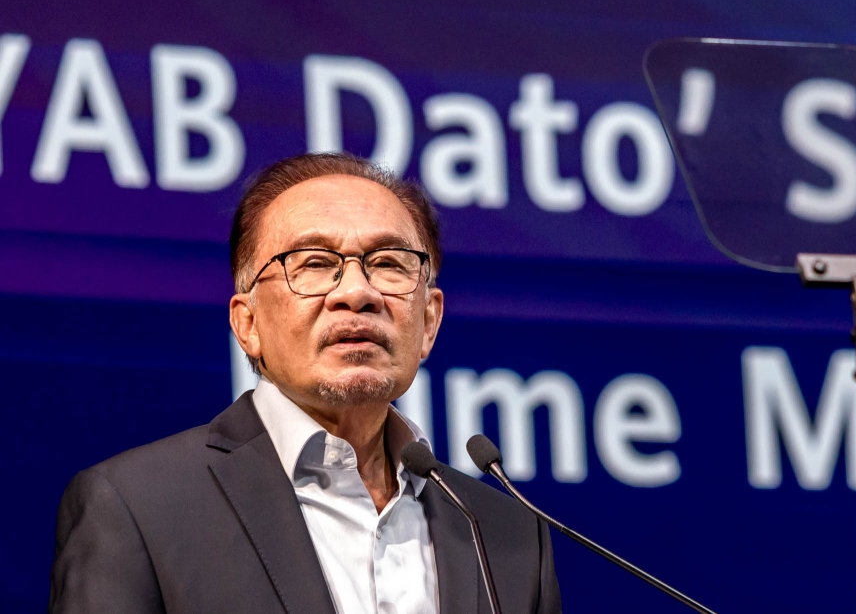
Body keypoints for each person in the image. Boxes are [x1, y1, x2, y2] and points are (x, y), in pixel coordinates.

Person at [49, 152, 562, 614]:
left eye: (387, 263)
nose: (357, 293)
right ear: (247, 323)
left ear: (428, 321)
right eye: (315, 264)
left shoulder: (505, 533)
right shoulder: (138, 504)